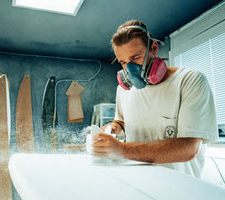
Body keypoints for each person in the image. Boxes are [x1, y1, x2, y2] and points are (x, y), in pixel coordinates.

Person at [92, 20, 218, 178]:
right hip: (140, 181)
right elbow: (122, 121)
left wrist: (122, 150)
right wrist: (114, 127)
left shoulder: (190, 81)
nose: (130, 70)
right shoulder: (124, 90)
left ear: (154, 49)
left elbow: (188, 149)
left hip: (181, 187)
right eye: (123, 62)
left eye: (136, 58)